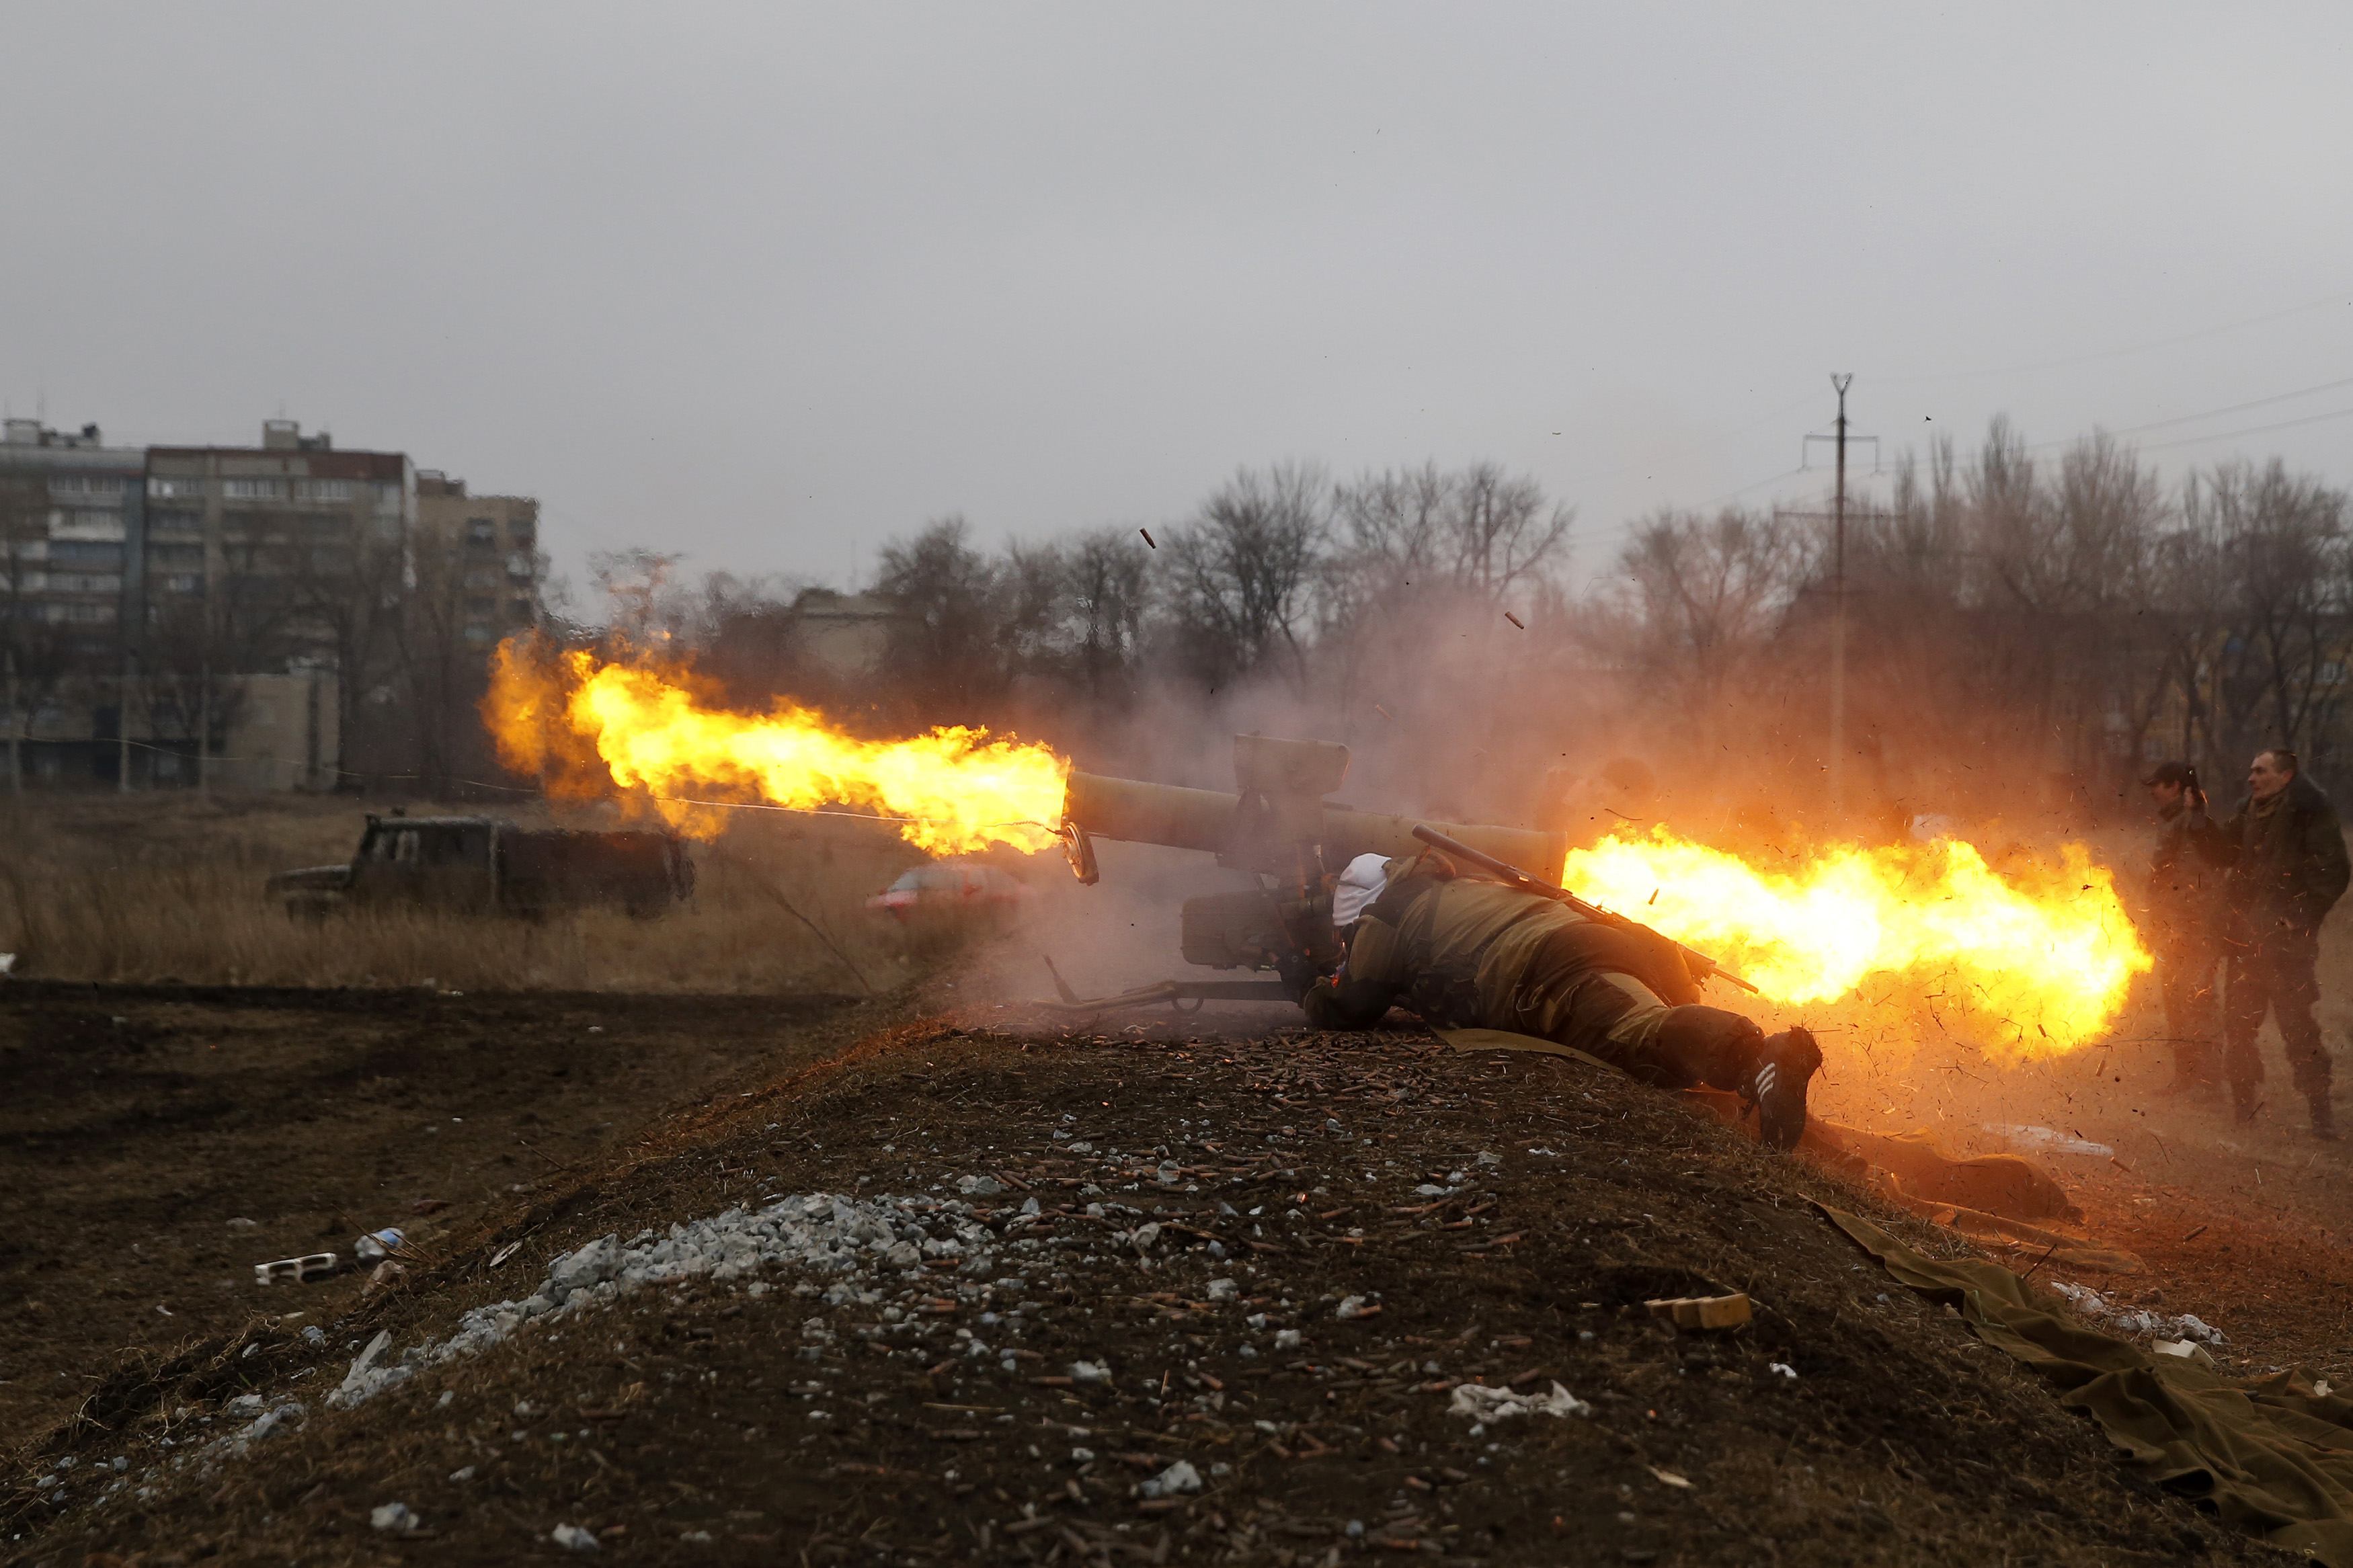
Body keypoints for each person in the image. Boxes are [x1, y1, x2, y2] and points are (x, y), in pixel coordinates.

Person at [1303, 848, 1822, 1149]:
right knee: (1657, 1039)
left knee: (1642, 1031)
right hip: (1594, 944)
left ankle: (1760, 1057)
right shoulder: (1464, 888)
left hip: (1556, 968)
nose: (1351, 942)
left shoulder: (1387, 912)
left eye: (1349, 934)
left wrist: (1311, 988)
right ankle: (1762, 1078)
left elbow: (1349, 1005)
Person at [2191, 749, 2352, 1137]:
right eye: (2251, 771)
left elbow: (2333, 870)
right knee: (2238, 1029)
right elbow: (2222, 852)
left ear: (2286, 775)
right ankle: (2243, 1110)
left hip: (2287, 951)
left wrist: (2299, 918)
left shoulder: (2309, 811)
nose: (2251, 778)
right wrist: (2198, 817)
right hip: (2246, 944)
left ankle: (2320, 1113)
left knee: (2299, 1031)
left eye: (2261, 771)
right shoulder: (2250, 810)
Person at [2141, 761, 2221, 1097]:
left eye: (2157, 785)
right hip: (2176, 930)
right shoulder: (2177, 821)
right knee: (2175, 1003)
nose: (2152, 792)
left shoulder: (2191, 822)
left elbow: (2193, 882)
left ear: (2175, 786)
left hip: (2193, 931)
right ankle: (2186, 1078)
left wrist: (2179, 926)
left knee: (2197, 1003)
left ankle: (2207, 1083)